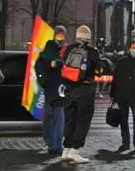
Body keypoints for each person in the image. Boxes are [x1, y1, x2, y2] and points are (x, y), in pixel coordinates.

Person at [61, 34, 102, 163]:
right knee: (83, 121)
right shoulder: (92, 52)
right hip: (85, 89)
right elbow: (99, 70)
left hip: (69, 89)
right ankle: (75, 150)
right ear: (89, 38)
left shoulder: (68, 49)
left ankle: (66, 150)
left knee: (70, 120)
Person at [110, 41, 135, 153]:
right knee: (124, 120)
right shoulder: (121, 62)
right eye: (133, 47)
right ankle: (125, 143)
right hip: (122, 96)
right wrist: (113, 95)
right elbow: (115, 79)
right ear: (129, 49)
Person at [36, 25, 67, 156]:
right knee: (50, 119)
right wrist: (50, 68)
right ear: (54, 36)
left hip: (62, 91)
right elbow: (39, 67)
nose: (60, 39)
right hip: (50, 90)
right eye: (58, 36)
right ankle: (51, 144)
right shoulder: (47, 52)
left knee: (58, 119)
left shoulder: (66, 51)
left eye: (63, 36)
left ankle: (56, 146)